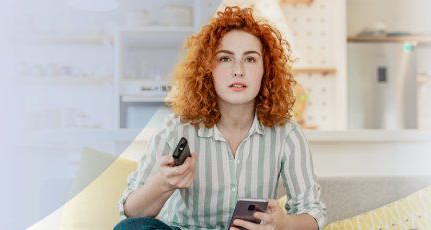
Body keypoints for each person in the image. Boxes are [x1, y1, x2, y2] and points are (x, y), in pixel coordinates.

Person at [114, 6, 327, 230]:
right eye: (225, 58)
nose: (238, 70)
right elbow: (130, 214)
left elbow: (313, 214)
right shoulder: (175, 129)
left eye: (250, 59)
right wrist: (163, 183)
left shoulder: (287, 133)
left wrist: (282, 223)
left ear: (267, 70)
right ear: (208, 69)